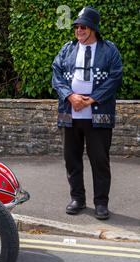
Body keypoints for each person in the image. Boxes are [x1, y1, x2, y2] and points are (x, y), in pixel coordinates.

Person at [52, 7, 123, 221]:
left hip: (98, 114)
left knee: (100, 160)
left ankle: (101, 203)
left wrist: (92, 99)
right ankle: (77, 199)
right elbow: (57, 75)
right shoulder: (67, 49)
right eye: (76, 26)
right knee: (71, 159)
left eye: (83, 26)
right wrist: (70, 96)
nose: (79, 30)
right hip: (68, 112)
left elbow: (115, 77)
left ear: (93, 28)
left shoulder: (109, 50)